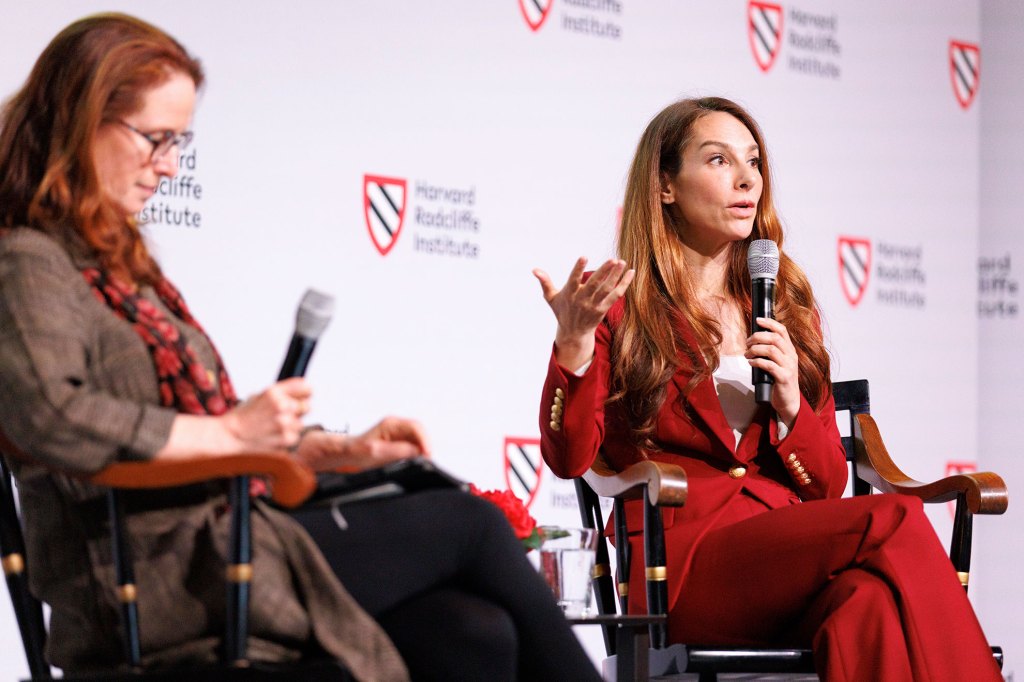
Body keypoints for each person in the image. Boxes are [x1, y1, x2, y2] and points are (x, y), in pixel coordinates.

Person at [0, 13, 601, 682]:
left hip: (219, 547)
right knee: (472, 525)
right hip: (154, 580)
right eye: (155, 139)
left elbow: (209, 437)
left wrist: (330, 450)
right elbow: (46, 415)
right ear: (83, 118)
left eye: (180, 144)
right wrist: (231, 431)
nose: (169, 166)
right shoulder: (29, 260)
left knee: (470, 632)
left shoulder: (121, 270)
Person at [533, 97, 1001, 681]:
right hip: (685, 569)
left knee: (868, 606)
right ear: (665, 188)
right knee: (896, 519)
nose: (746, 177)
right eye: (719, 159)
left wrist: (789, 408)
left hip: (788, 556)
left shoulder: (785, 307)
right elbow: (570, 457)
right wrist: (573, 345)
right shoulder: (624, 314)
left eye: (753, 161)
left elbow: (829, 487)